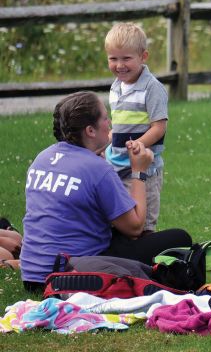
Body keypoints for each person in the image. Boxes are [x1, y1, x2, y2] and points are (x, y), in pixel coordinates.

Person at [20, 91, 192, 292]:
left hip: (32, 275)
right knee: (180, 239)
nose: (109, 122)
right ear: (90, 131)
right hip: (70, 274)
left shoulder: (42, 158)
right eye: (104, 117)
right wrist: (138, 171)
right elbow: (135, 227)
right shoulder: (96, 168)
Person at [104, 22, 168, 233]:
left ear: (143, 56)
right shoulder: (116, 86)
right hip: (117, 165)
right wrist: (111, 136)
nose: (119, 65)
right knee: (121, 216)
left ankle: (147, 257)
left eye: (126, 58)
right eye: (113, 58)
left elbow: (159, 127)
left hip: (144, 167)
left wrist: (138, 145)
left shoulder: (152, 88)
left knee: (144, 220)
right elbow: (121, 122)